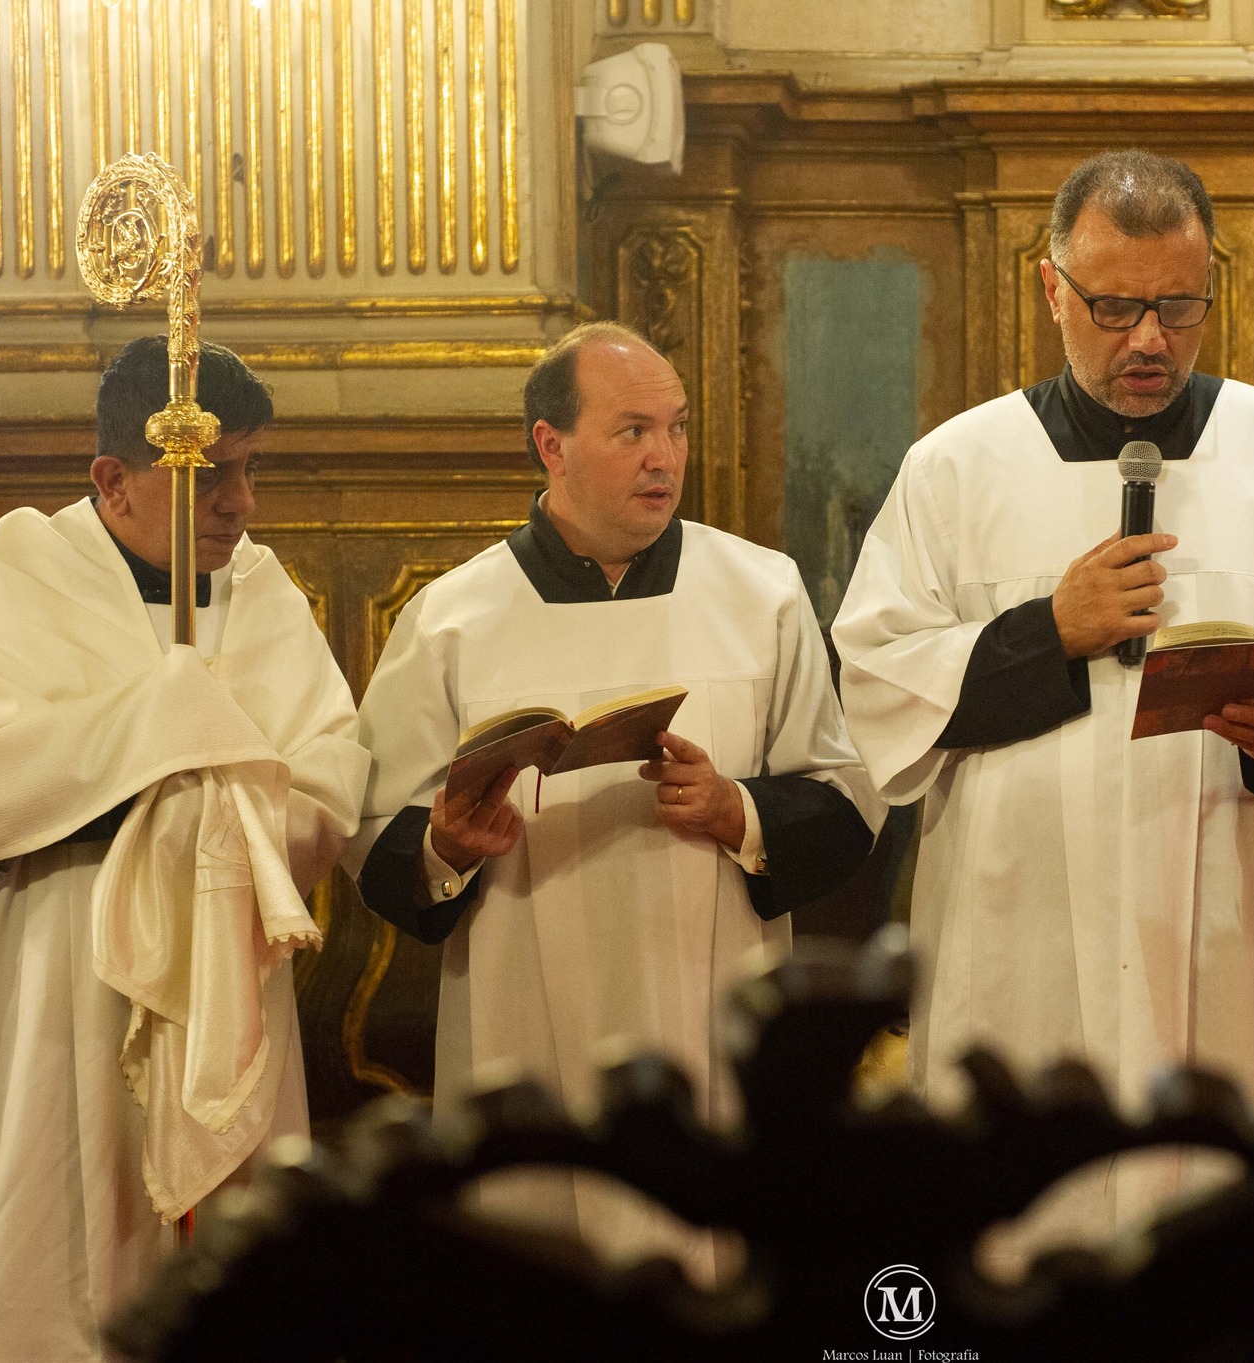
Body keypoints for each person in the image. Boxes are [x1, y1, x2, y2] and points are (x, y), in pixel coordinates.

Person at [830, 151, 1254, 1233]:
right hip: (1021, 926)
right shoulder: (956, 470)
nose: (1148, 339)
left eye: (1177, 307)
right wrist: (1044, 632)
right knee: (1022, 1235)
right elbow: (876, 680)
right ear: (1051, 288)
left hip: (1237, 924)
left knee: (1224, 1248)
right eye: (1113, 307)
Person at [347, 321, 882, 1273]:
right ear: (552, 444)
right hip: (523, 1012)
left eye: (675, 429)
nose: (664, 457)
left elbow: (845, 801)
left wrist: (739, 813)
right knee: (537, 1278)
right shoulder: (453, 619)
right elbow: (373, 839)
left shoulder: (761, 593)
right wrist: (447, 846)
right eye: (633, 430)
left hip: (708, 1003)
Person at [0, 336, 368, 1363]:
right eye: (211, 473)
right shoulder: (6, 583)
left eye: (250, 468)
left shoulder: (263, 595)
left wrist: (216, 808)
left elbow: (327, 776)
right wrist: (154, 740)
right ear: (112, 479)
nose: (240, 501)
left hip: (221, 987)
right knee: (42, 1249)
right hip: (38, 1009)